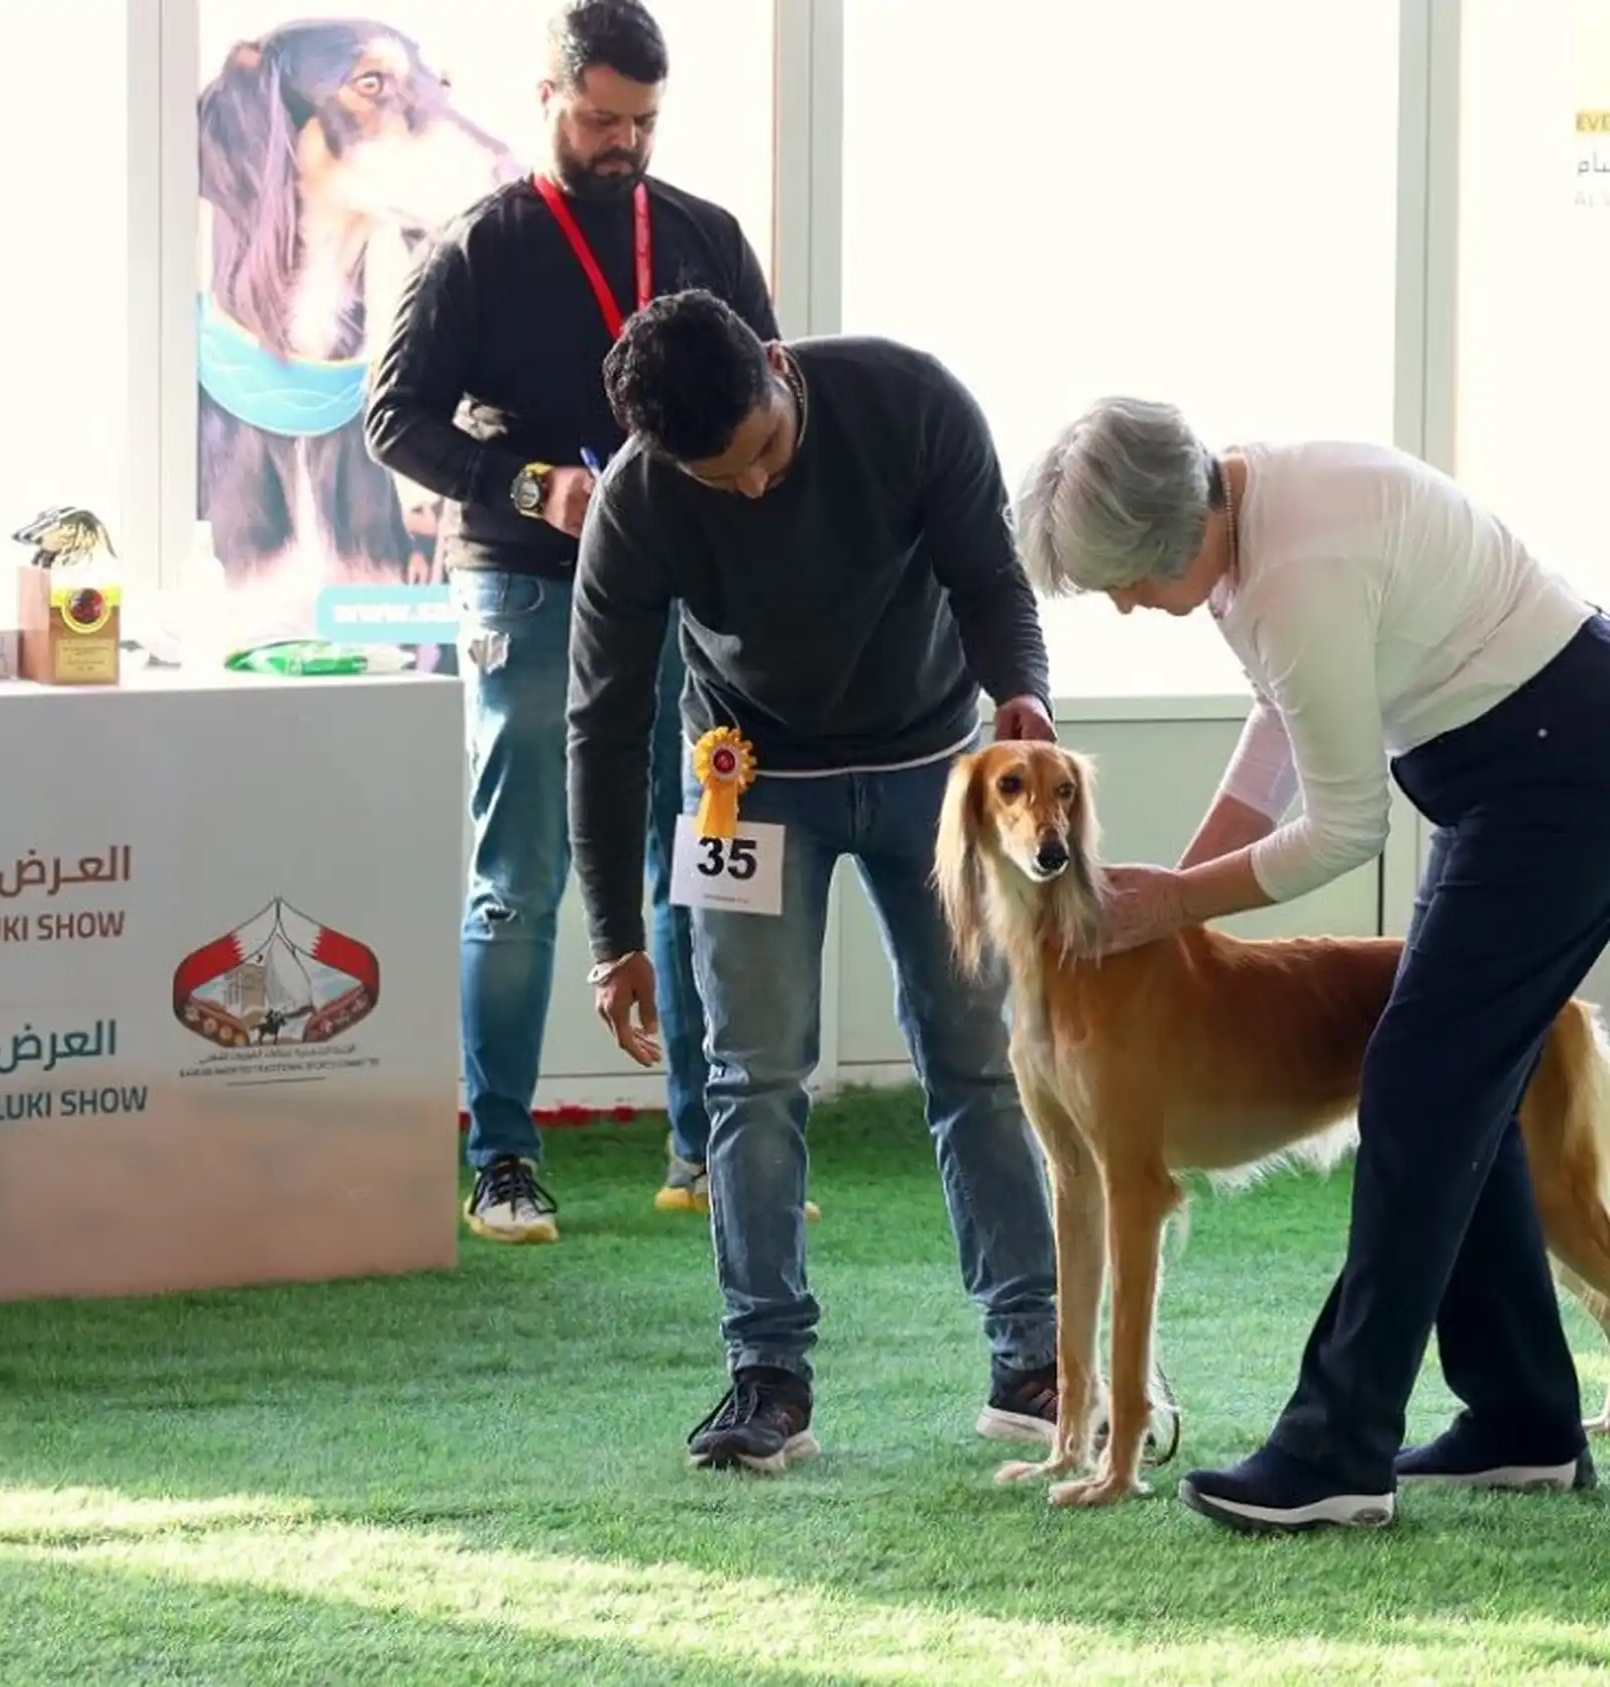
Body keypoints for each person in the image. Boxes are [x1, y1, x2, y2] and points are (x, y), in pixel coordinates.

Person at [1014, 396, 1607, 1533]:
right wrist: (1177, 903)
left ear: (1170, 535)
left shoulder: (1294, 569)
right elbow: (1280, 721)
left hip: (1563, 774)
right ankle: (1523, 1420)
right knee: (1457, 1085)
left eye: (1122, 583)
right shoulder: (1246, 520)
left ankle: (1336, 1448)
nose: (1127, 605)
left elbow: (1343, 830)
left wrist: (1177, 901)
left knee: (1420, 1087)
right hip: (1511, 771)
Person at [565, 287, 1066, 1472]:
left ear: (779, 368)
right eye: (719, 477)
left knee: (978, 1061)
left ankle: (1035, 1358)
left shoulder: (912, 402)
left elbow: (991, 580)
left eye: (765, 453)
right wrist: (612, 936)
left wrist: (1023, 695)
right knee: (750, 1076)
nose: (751, 488)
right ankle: (766, 1375)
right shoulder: (638, 501)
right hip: (745, 789)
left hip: (932, 767)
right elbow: (603, 721)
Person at [364, 1, 810, 1240]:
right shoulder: (480, 245)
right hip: (527, 583)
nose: (626, 142)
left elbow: (776, 390)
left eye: (645, 121)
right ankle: (503, 1157)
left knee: (696, 866)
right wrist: (532, 487)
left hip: (683, 589)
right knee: (521, 879)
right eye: (604, 118)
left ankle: (707, 1150)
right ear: (548, 97)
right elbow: (393, 418)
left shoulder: (706, 235)